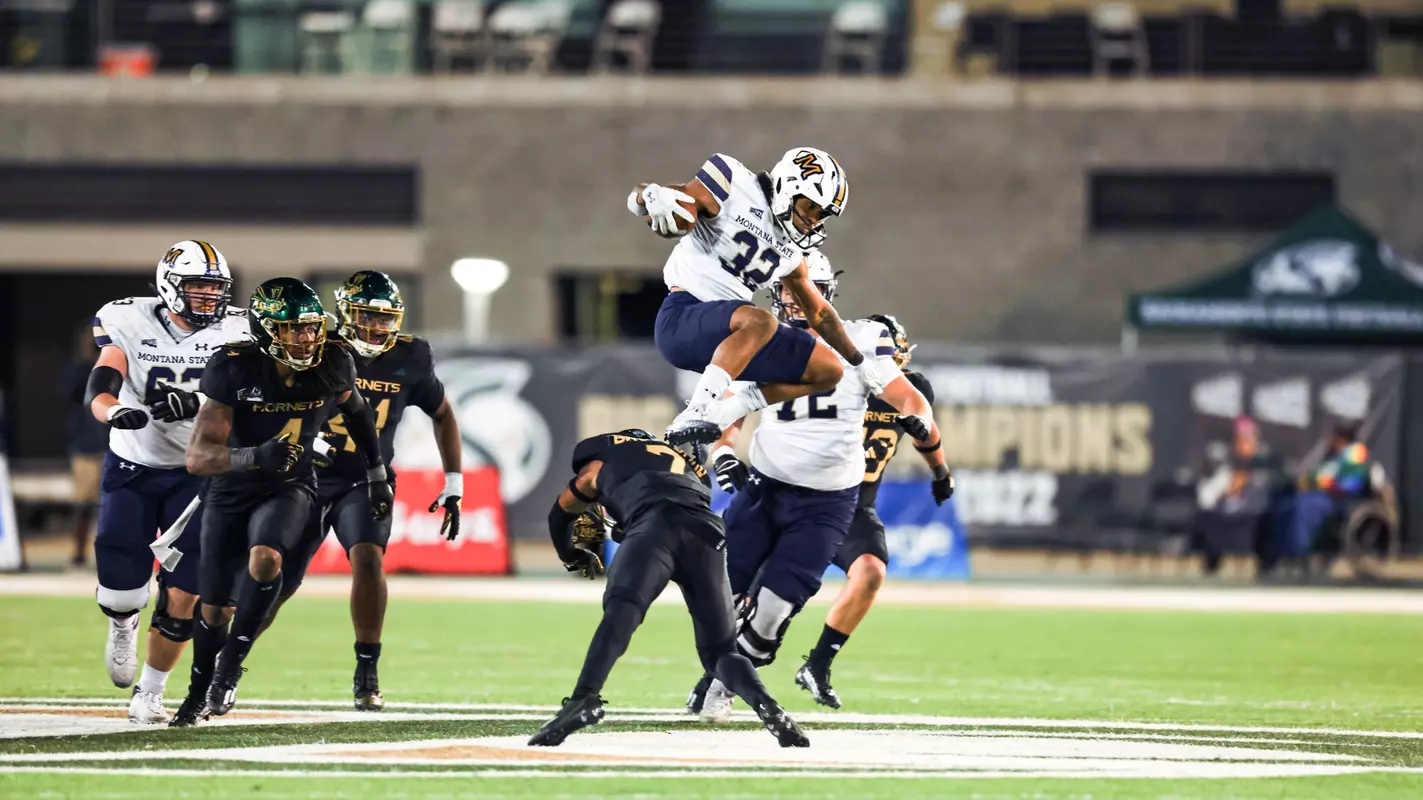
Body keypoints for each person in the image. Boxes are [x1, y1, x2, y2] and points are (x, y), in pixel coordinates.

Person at [687, 252, 940, 723]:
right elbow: (725, 409)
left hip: (827, 502)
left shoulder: (861, 339)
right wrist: (723, 455)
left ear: (826, 292)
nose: (795, 298)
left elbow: (908, 395)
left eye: (804, 289)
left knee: (771, 616)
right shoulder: (760, 336)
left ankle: (722, 687)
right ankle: (715, 674)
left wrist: (918, 418)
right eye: (786, 288)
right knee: (721, 597)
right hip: (764, 487)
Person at [172, 277, 391, 727]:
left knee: (267, 559)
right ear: (266, 328)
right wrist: (254, 455)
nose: (306, 338)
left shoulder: (333, 361)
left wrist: (376, 473)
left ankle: (230, 667)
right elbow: (198, 457)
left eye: (311, 328)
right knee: (213, 608)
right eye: (292, 329)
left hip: (290, 484)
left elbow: (360, 414)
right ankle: (196, 694)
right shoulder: (233, 367)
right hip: (231, 488)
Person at [528, 428, 808, 749]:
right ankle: (769, 708)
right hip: (707, 534)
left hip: (655, 526)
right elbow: (665, 496)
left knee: (622, 610)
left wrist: (571, 555)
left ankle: (583, 699)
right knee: (721, 652)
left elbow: (561, 511)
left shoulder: (601, 458)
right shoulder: (687, 467)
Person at [264, 270, 464, 711]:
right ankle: (228, 661)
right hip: (306, 476)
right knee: (281, 577)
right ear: (344, 314)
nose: (375, 327)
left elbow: (443, 413)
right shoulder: (315, 350)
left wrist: (454, 481)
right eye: (366, 316)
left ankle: (366, 670)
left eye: (383, 318)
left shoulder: (410, 356)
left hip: (366, 478)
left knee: (369, 558)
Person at [83, 240, 248, 723]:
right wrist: (116, 413)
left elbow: (251, 399)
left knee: (186, 591)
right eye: (196, 285)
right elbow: (101, 384)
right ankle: (123, 620)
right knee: (121, 589)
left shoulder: (239, 330)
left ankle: (151, 691)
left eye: (214, 287)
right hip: (134, 465)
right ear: (169, 284)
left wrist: (197, 404)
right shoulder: (127, 320)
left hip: (200, 474)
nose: (206, 296)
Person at [630, 148, 867, 454]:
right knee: (762, 320)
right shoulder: (732, 180)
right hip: (684, 318)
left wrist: (859, 362)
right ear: (788, 186)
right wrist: (647, 197)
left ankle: (722, 413)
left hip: (734, 336)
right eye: (810, 206)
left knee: (827, 370)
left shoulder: (792, 253)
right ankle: (699, 408)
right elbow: (678, 203)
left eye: (821, 215)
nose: (812, 219)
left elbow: (819, 313)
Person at [796, 313, 953, 709]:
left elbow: (925, 429)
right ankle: (719, 674)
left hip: (853, 506)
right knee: (765, 598)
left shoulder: (911, 389)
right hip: (803, 501)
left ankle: (817, 664)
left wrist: (940, 472)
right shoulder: (834, 377)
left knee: (870, 572)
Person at [61, 325, 110, 568]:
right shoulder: (79, 369)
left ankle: (114, 553)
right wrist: (88, 358)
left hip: (116, 445)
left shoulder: (117, 364)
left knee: (117, 504)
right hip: (86, 446)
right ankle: (78, 553)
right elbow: (69, 391)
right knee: (83, 504)